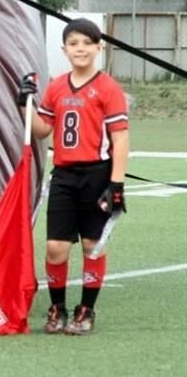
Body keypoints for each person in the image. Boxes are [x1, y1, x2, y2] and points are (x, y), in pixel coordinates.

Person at [19, 18, 129, 336]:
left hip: (97, 175)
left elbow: (120, 138)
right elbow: (42, 129)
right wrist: (23, 104)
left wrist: (116, 184)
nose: (80, 49)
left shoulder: (108, 88)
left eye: (86, 43)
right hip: (64, 176)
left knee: (93, 245)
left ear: (99, 47)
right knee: (56, 247)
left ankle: (87, 309)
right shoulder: (56, 86)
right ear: (64, 49)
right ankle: (57, 308)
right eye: (73, 43)